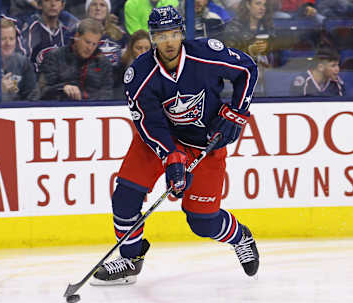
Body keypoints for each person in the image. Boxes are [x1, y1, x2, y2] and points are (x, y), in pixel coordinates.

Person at [90, 6, 260, 286]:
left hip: (205, 143)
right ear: (152, 38)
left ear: (181, 33)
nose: (168, 41)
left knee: (202, 222)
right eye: (161, 35)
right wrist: (171, 156)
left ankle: (240, 236)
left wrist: (237, 112)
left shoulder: (206, 53)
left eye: (173, 34)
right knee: (126, 195)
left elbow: (247, 69)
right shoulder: (140, 74)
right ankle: (131, 259)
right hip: (162, 141)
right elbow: (149, 123)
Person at [39, 17, 113, 100]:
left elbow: (107, 94)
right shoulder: (54, 57)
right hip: (60, 109)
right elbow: (42, 91)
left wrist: (85, 99)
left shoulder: (103, 63)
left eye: (94, 44)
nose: (90, 48)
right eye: (87, 42)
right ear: (77, 36)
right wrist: (62, 88)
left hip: (92, 110)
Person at [23, 0, 78, 72]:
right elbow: (24, 63)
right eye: (47, 0)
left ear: (62, 5)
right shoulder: (31, 29)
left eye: (57, 0)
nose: (53, 4)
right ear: (39, 5)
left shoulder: (67, 32)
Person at [223, 0, 277, 68]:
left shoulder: (268, 25)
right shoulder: (234, 26)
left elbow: (277, 47)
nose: (262, 8)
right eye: (258, 3)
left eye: (265, 5)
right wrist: (250, 50)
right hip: (242, 70)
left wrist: (268, 46)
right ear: (248, 5)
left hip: (266, 70)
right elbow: (230, 53)